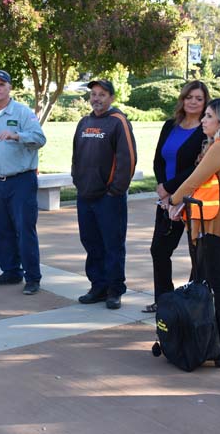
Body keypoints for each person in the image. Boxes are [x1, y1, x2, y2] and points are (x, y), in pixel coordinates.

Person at [166, 98, 220, 357]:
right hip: (219, 215)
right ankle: (215, 332)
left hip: (217, 219)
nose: (203, 120)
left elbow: (194, 180)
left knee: (217, 278)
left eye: (208, 116)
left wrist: (172, 200)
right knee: (209, 275)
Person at [0, 70, 46, 295]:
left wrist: (17, 136)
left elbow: (40, 139)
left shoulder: (22, 113)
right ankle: (11, 271)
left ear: (9, 88)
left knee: (25, 230)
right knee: (0, 229)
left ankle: (32, 277)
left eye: (1, 84)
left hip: (21, 181)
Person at [144, 80, 209, 313]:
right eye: (189, 97)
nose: (192, 102)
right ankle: (164, 300)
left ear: (205, 103)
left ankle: (194, 302)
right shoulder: (170, 125)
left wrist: (170, 186)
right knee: (159, 250)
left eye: (198, 99)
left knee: (198, 254)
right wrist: (162, 186)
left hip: (191, 200)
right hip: (166, 200)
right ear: (182, 99)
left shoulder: (206, 129)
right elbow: (158, 159)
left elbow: (198, 167)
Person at [72, 79, 136, 310]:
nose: (97, 98)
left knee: (112, 244)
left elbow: (127, 159)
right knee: (91, 242)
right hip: (85, 195)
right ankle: (98, 286)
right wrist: (77, 181)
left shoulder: (118, 122)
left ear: (111, 98)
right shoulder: (84, 122)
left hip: (109, 198)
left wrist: (115, 191)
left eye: (102, 94)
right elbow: (76, 156)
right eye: (94, 94)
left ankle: (114, 289)